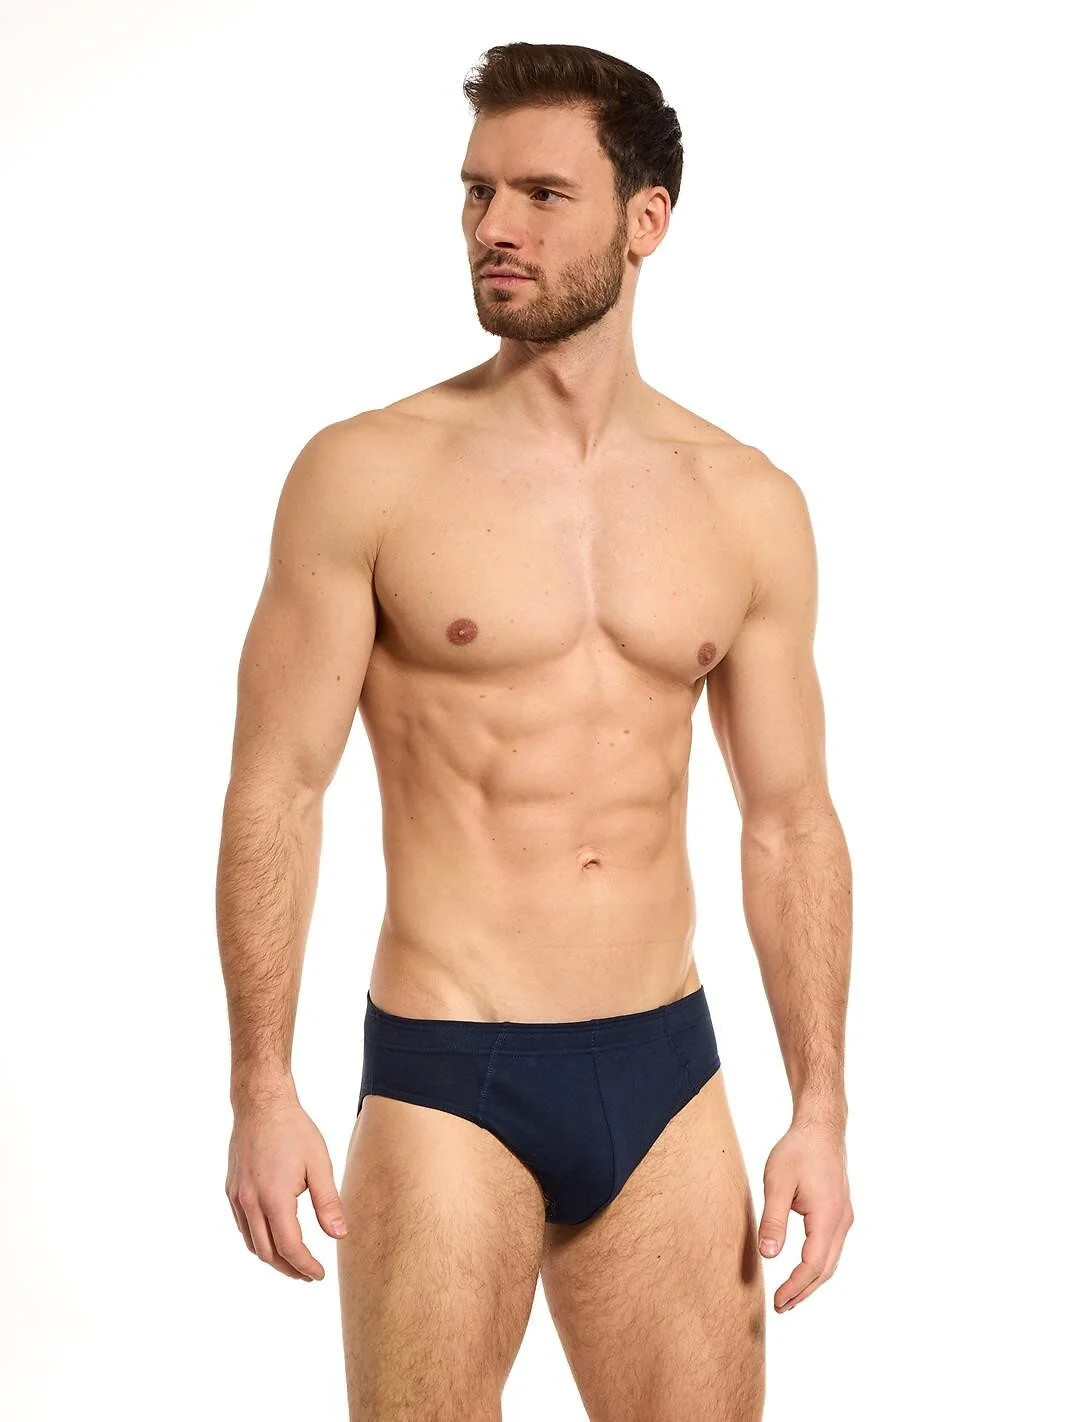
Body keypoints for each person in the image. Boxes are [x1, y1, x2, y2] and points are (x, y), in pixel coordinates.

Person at [217, 40, 854, 1422]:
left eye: (543, 195)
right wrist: (262, 1085)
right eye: (477, 191)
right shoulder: (368, 473)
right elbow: (278, 786)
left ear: (646, 220)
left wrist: (820, 1105)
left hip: (668, 1071)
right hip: (453, 1070)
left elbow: (789, 819)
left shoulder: (745, 502)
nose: (494, 226)